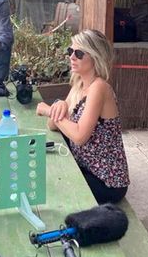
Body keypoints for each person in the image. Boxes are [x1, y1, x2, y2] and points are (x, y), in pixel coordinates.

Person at [36, 29, 130, 204]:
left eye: (79, 53)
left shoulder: (99, 87)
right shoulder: (79, 84)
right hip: (87, 167)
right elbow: (53, 125)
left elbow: (79, 136)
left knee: (50, 186)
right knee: (43, 168)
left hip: (106, 181)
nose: (72, 57)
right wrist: (60, 105)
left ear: (96, 57)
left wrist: (50, 110)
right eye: (70, 51)